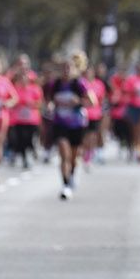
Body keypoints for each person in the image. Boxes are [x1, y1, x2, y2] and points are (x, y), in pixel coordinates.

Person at [45, 55, 95, 200]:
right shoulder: (56, 84)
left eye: (69, 68)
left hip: (77, 124)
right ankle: (65, 185)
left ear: (74, 69)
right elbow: (49, 101)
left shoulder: (79, 84)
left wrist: (78, 101)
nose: (66, 70)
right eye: (64, 68)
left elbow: (92, 101)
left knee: (73, 157)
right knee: (63, 153)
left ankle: (73, 174)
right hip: (60, 124)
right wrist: (49, 106)